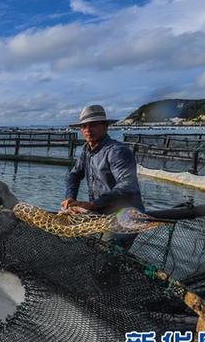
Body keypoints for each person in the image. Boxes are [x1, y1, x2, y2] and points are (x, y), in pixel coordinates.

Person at [61, 104, 144, 250]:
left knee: (106, 254)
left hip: (126, 215)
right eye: (84, 126)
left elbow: (127, 185)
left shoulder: (117, 151)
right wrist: (70, 198)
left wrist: (93, 204)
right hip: (101, 214)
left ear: (105, 126)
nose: (87, 130)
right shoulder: (87, 150)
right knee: (86, 247)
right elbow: (73, 175)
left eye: (93, 125)